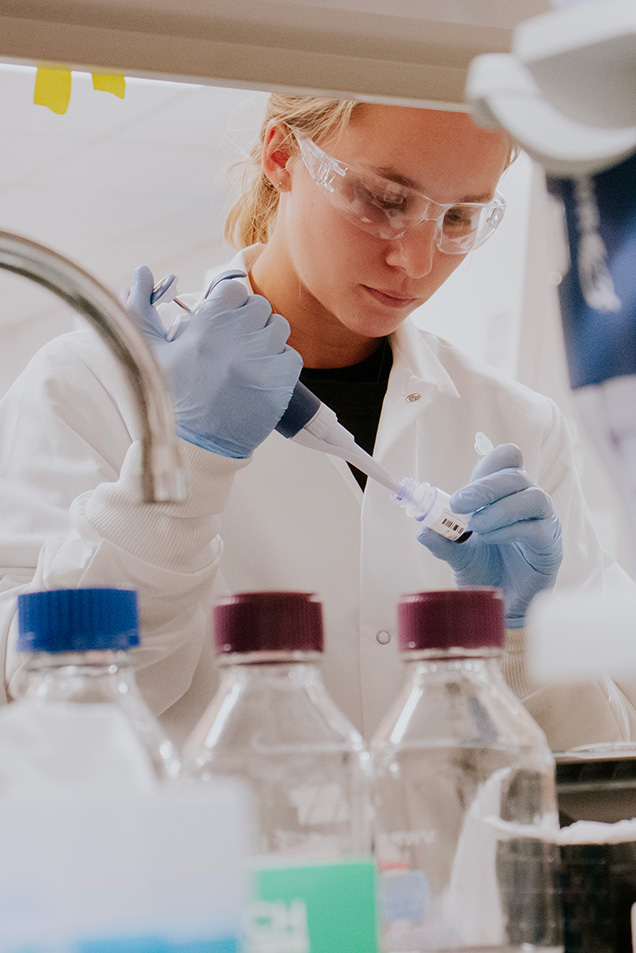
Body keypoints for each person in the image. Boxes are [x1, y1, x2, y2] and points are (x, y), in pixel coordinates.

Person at [1, 95, 634, 753]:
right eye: (385, 200)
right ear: (281, 155)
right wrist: (181, 469)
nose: (416, 260)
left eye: (461, 217)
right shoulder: (93, 385)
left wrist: (522, 638)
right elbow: (45, 713)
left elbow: (600, 768)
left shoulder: (518, 428)